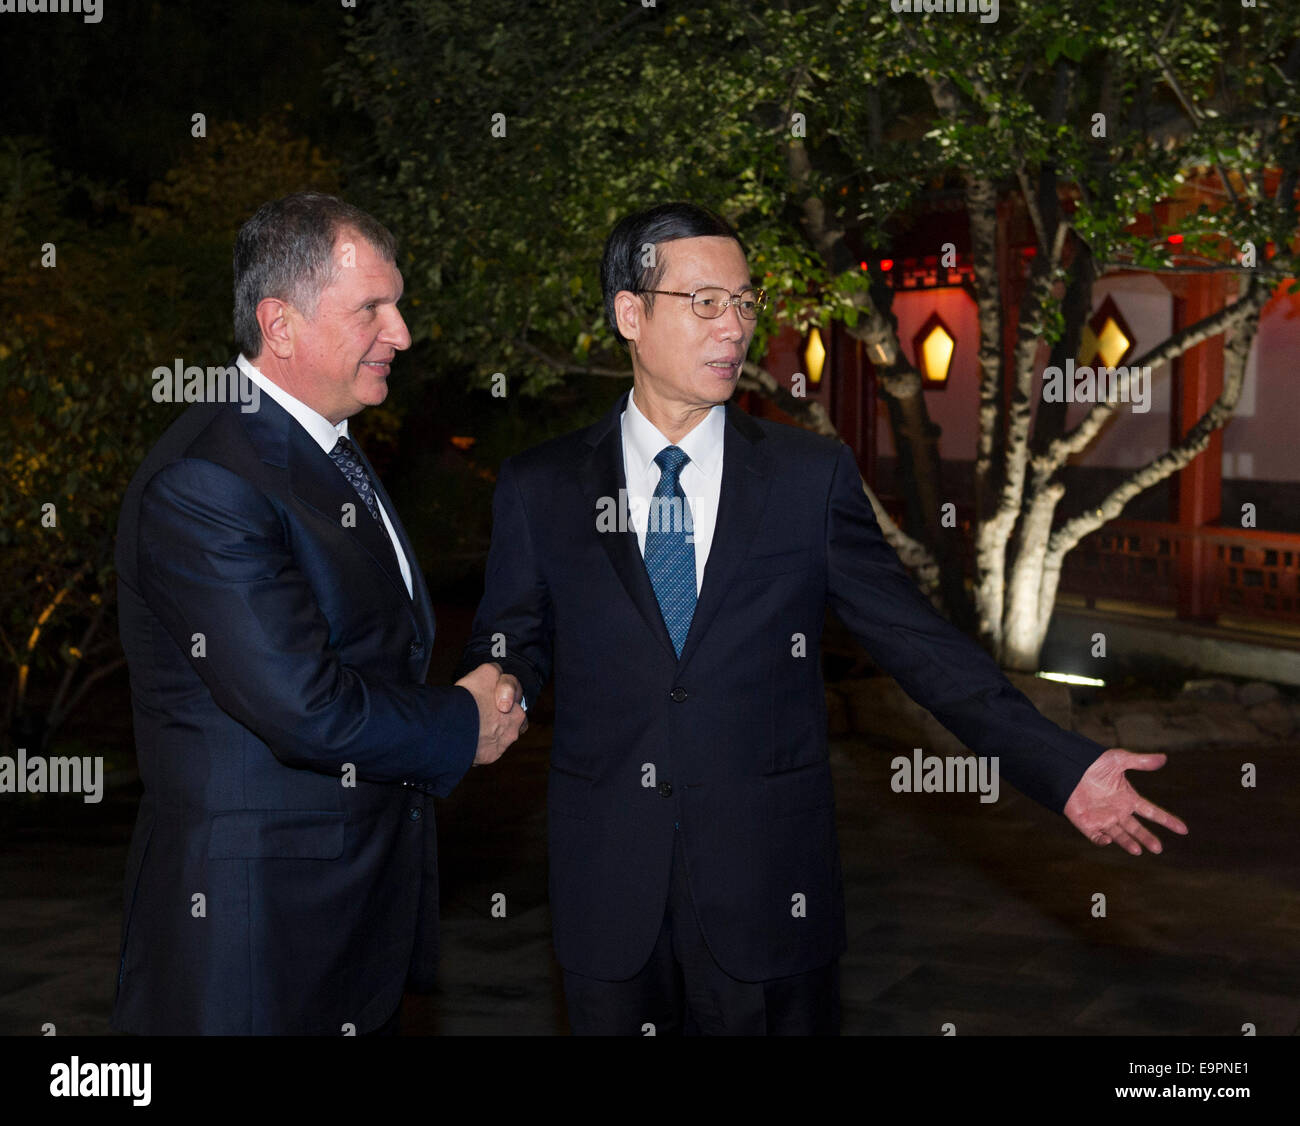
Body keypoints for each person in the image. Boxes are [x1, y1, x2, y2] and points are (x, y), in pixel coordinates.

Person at [459, 201, 1187, 1035]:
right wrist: (499, 679)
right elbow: (511, 634)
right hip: (606, 890)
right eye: (705, 303)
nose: (733, 327)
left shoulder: (807, 478)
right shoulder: (541, 484)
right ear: (631, 312)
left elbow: (917, 645)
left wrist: (1060, 766)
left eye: (744, 303)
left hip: (770, 892)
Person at [112, 192, 524, 1035]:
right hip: (255, 932)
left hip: (343, 917)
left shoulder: (321, 447)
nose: (402, 333)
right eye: (372, 308)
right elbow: (304, 706)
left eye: (398, 304)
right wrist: (460, 722)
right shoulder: (210, 480)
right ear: (281, 324)